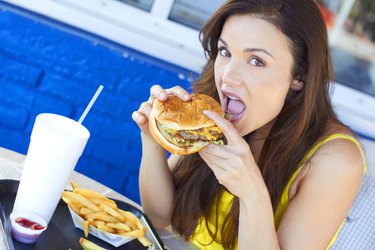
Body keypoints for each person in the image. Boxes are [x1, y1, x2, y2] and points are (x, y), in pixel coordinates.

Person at [131, 0, 367, 249]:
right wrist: (153, 136)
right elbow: (158, 217)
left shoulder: (337, 159)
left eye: (256, 61)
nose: (228, 77)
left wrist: (251, 192)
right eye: (225, 52)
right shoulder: (211, 113)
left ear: (300, 76)